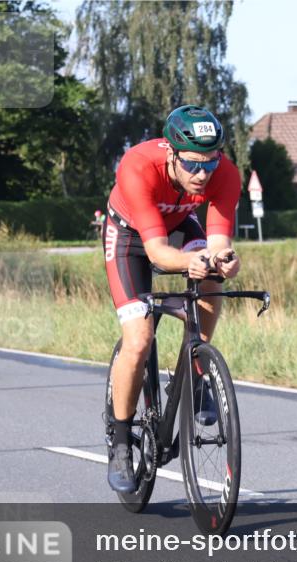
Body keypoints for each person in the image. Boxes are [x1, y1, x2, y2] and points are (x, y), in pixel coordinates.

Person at [103, 105, 242, 493]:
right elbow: (158, 254)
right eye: (193, 165)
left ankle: (197, 371)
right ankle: (118, 442)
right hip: (131, 235)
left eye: (210, 164)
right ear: (171, 154)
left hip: (180, 224)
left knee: (212, 270)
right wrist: (189, 262)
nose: (202, 175)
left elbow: (218, 242)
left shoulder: (225, 175)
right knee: (139, 340)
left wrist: (224, 260)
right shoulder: (138, 166)